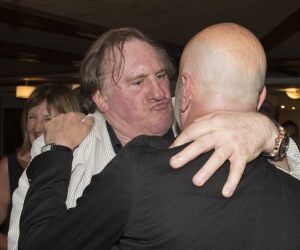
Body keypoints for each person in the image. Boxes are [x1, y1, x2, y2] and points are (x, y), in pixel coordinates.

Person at [11, 27, 300, 248]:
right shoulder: (57, 150)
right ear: (101, 98)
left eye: (161, 76)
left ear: (183, 88)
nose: (160, 92)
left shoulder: (231, 132)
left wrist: (272, 135)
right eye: (138, 82)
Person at [0, 83, 81, 250]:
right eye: (32, 117)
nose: (37, 127)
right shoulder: (9, 166)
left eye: (47, 118)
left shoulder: (82, 164)